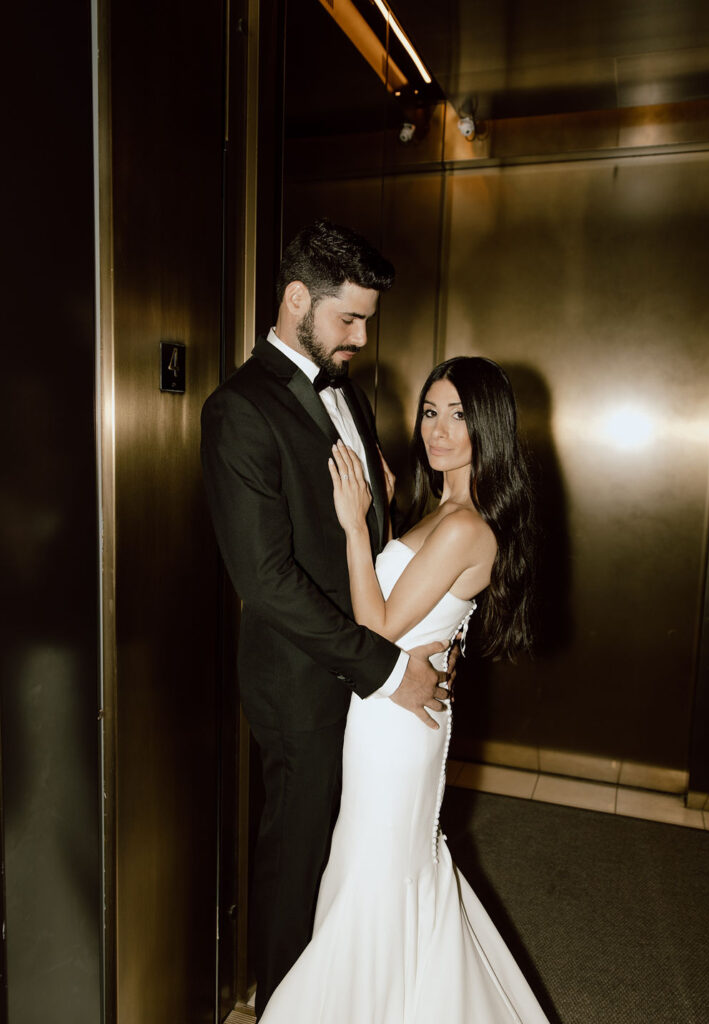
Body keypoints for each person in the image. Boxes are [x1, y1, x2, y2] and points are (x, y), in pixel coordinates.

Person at [200, 219, 453, 1018]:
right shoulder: (237, 410)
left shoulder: (351, 394)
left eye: (369, 321)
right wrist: (385, 669)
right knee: (296, 864)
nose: (361, 337)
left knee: (353, 856)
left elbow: (362, 544)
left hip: (362, 660)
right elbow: (267, 579)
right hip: (300, 682)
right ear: (297, 299)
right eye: (350, 319)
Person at [259, 356, 550, 1024]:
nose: (439, 430)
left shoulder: (465, 525)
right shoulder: (441, 511)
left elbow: (378, 623)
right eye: (430, 412)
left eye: (458, 415)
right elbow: (406, 605)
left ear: (489, 428)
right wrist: (386, 518)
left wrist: (356, 525)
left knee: (376, 871)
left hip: (396, 728)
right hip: (390, 710)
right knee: (379, 869)